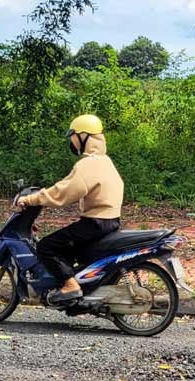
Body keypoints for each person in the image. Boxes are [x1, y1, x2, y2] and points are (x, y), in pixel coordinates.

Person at [16, 114, 124, 305]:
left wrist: (32, 199)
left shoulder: (88, 164)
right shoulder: (105, 161)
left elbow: (63, 192)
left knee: (46, 247)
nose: (72, 141)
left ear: (83, 136)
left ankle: (71, 286)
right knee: (67, 249)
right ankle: (75, 284)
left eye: (73, 136)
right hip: (110, 221)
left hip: (95, 223)